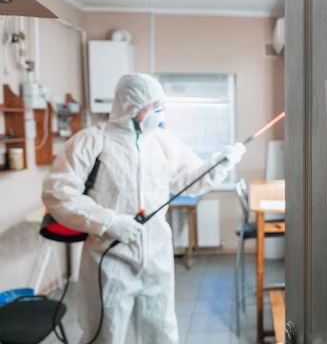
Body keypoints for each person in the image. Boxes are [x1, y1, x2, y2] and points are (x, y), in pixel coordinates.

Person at [42, 74, 246, 344]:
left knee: (161, 333)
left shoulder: (163, 142)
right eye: (154, 106)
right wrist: (109, 221)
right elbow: (58, 193)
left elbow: (189, 181)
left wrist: (219, 164)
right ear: (133, 106)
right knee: (106, 335)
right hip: (109, 259)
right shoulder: (92, 142)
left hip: (157, 258)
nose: (159, 112)